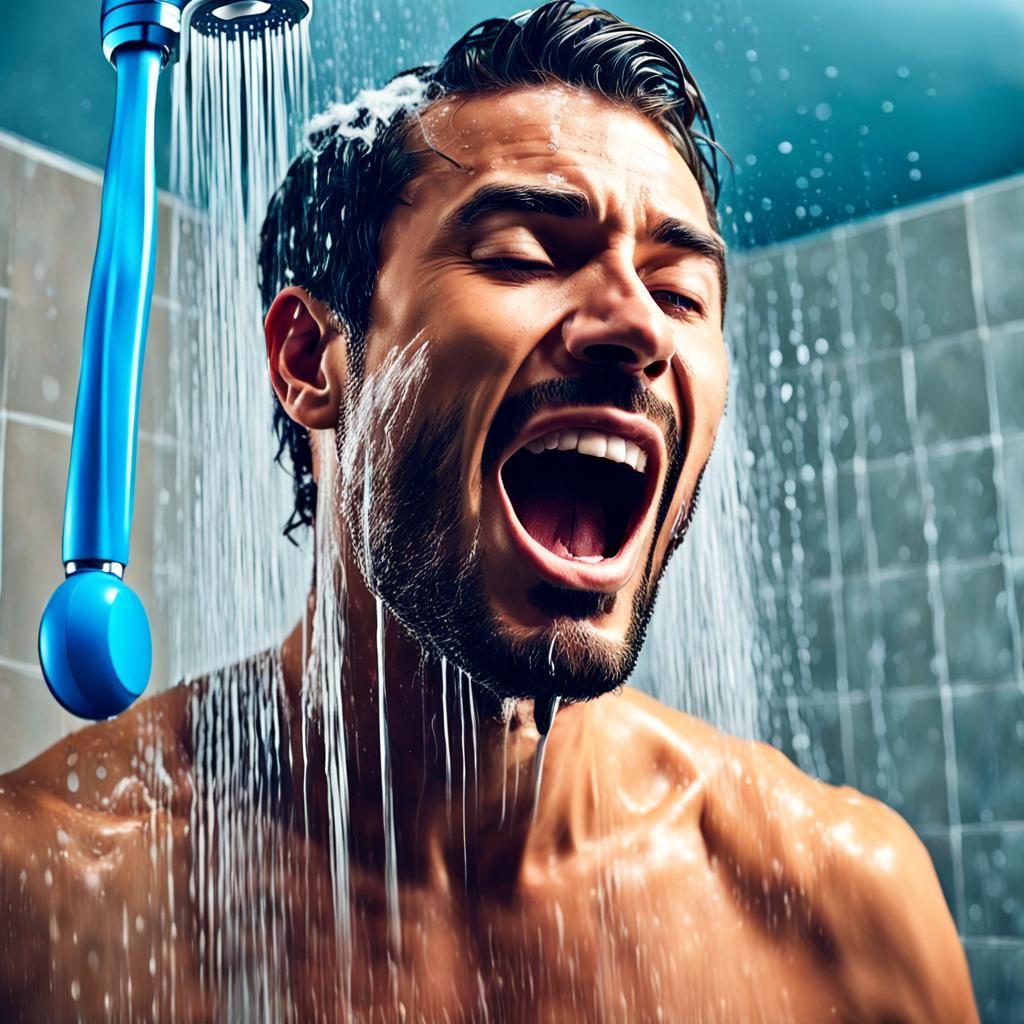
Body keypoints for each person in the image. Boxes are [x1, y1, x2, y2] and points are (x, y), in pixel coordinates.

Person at [0, 3, 978, 1020]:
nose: (639, 324)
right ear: (309, 360)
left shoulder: (838, 908)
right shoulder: (46, 897)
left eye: (682, 293)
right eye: (521, 254)